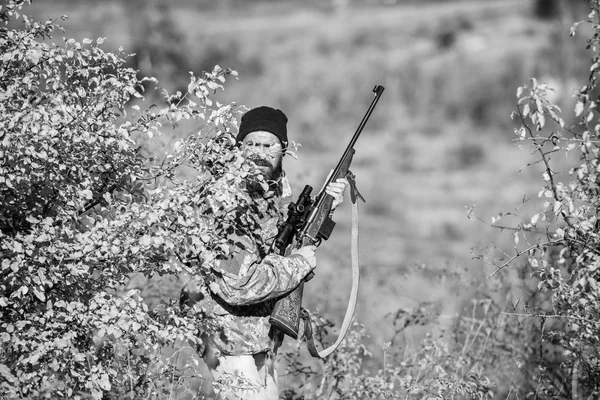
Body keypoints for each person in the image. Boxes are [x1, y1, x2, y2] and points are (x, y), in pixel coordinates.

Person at [181, 106, 347, 399]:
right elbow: (239, 286)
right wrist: (298, 266)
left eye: (268, 144)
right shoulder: (225, 200)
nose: (259, 152)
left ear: (284, 148)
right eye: (250, 144)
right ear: (238, 147)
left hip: (258, 335)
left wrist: (325, 209)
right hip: (224, 336)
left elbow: (285, 248)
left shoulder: (275, 189)